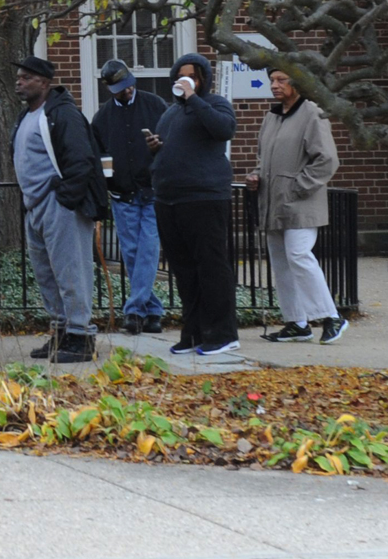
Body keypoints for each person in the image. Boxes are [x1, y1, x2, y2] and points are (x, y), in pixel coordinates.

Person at [11, 57, 109, 364]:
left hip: (59, 205)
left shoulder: (62, 114)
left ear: (44, 82)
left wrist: (64, 198)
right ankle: (61, 332)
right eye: (19, 77)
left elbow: (82, 161)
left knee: (71, 272)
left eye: (26, 77)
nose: (19, 82)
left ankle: (81, 337)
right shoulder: (28, 115)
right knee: (47, 275)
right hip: (35, 206)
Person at [145, 52, 238, 356]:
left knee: (211, 266)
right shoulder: (171, 113)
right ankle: (194, 332)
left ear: (203, 80)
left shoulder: (214, 104)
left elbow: (223, 129)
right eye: (181, 75)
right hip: (169, 200)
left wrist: (194, 98)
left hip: (205, 197)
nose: (185, 80)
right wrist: (156, 148)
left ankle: (222, 333)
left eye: (193, 76)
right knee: (184, 270)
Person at [250, 69, 346, 344]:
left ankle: (331, 317)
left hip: (300, 203)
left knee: (299, 255)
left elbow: (327, 160)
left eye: (282, 80)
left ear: (298, 83)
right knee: (282, 263)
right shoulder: (271, 116)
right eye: (272, 80)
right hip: (272, 202)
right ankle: (296, 323)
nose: (274, 85)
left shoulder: (312, 113)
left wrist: (297, 187)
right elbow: (262, 157)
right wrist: (256, 174)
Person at [90, 59, 168, 336]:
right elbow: (99, 156)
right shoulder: (102, 118)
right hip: (121, 193)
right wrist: (109, 179)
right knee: (133, 254)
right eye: (119, 88)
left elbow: (173, 142)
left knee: (147, 250)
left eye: (127, 86)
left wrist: (160, 148)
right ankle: (153, 311)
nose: (126, 91)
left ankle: (134, 312)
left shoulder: (156, 105)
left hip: (152, 190)